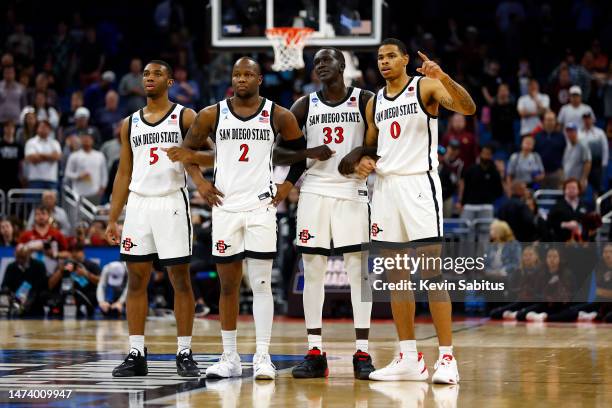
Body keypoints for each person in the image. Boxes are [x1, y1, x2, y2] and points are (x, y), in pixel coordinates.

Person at [339, 38, 476, 384]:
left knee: (431, 272)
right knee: (395, 276)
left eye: (390, 56)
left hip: (418, 184)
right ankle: (408, 356)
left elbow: (467, 107)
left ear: (403, 60)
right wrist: (365, 159)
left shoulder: (425, 86)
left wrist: (443, 76)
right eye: (380, 57)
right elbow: (372, 143)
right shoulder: (374, 103)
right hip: (385, 189)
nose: (383, 62)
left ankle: (447, 358)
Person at [166, 57, 305, 380]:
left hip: (260, 209)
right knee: (227, 287)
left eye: (248, 74)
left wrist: (286, 187)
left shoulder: (278, 115)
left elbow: (300, 154)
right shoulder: (211, 114)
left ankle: (262, 356)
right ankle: (229, 357)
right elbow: (187, 152)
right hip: (225, 208)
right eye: (236, 74)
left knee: (260, 284)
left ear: (260, 79)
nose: (241, 79)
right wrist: (201, 183)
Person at [273, 48, 376, 380]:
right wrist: (308, 151)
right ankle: (315, 351)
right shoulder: (305, 104)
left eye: (326, 61)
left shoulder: (365, 99)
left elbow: (380, 139)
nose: (320, 67)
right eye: (316, 63)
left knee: (358, 271)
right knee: (312, 271)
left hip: (351, 189)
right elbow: (278, 150)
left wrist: (360, 151)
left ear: (342, 65)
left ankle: (363, 352)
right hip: (315, 190)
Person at [104, 60, 199, 377]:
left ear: (170, 81)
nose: (149, 78)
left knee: (180, 280)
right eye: (145, 73)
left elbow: (207, 154)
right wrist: (112, 218)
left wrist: (192, 161)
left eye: (157, 73)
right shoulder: (129, 123)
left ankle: (184, 352)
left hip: (172, 201)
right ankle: (136, 351)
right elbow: (123, 172)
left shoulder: (185, 116)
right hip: (139, 205)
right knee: (136, 280)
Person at [458, 144, 504, 221]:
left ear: (491, 156)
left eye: (488, 154)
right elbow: (464, 187)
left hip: (486, 206)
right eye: (484, 153)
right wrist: (461, 202)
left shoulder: (495, 172)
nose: (485, 156)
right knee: (465, 230)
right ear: (480, 154)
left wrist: (490, 199)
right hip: (470, 205)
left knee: (485, 231)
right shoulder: (471, 170)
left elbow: (499, 190)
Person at [1, 245, 49, 317]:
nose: (20, 260)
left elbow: (43, 286)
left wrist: (29, 299)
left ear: (29, 255)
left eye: (23, 257)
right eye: (18, 257)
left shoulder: (39, 266)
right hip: (16, 301)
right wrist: (8, 292)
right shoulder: (11, 267)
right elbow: (5, 285)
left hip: (35, 303)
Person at [64, 133, 108, 204]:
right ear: (81, 140)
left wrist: (103, 187)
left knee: (94, 213)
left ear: (92, 140)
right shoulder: (74, 155)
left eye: (89, 138)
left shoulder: (99, 155)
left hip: (95, 192)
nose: (87, 140)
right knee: (79, 214)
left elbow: (104, 174)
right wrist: (78, 176)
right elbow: (67, 173)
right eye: (84, 138)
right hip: (79, 192)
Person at [24, 120, 61, 190]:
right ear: (37, 129)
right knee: (34, 201)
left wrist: (40, 155)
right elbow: (31, 158)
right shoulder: (31, 142)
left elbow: (57, 157)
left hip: (51, 179)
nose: (44, 129)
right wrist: (50, 157)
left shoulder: (55, 143)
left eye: (46, 127)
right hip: (35, 179)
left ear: (50, 130)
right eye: (42, 127)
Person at [534, 111, 566, 189]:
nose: (550, 122)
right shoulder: (537, 136)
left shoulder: (561, 136)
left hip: (556, 172)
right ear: (543, 121)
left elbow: (565, 153)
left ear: (555, 121)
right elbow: (534, 155)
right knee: (538, 194)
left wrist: (562, 169)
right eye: (547, 120)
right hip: (540, 173)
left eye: (552, 120)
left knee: (558, 195)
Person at [579, 112, 608, 195]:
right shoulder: (579, 133)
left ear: (592, 120)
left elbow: (605, 149)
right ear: (583, 120)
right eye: (585, 119)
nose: (587, 121)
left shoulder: (600, 133)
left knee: (598, 187)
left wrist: (604, 164)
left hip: (596, 165)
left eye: (588, 119)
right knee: (582, 185)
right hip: (583, 165)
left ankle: (598, 206)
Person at [439, 139, 464, 218]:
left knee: (446, 218)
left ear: (458, 151)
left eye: (455, 149)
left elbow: (460, 183)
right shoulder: (441, 159)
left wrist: (459, 200)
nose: (452, 150)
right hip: (436, 192)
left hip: (449, 194)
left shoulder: (459, 164)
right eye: (451, 148)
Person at [562, 122, 591, 190]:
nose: (570, 133)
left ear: (576, 132)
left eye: (572, 131)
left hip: (578, 182)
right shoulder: (568, 146)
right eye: (568, 131)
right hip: (568, 181)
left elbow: (588, 162)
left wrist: (583, 179)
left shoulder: (583, 145)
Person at [0, 120, 24, 191]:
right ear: (4, 129)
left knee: (14, 200)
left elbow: (21, 163)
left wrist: (22, 177)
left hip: (14, 178)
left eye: (11, 128)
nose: (9, 130)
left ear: (14, 130)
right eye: (7, 127)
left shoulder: (18, 146)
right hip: (1, 178)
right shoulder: (0, 144)